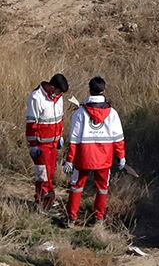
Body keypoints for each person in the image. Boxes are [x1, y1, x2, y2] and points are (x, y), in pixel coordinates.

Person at [64, 77, 124, 226]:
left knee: (76, 186)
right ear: (103, 91)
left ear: (89, 89)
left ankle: (71, 219)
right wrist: (121, 156)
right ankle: (98, 219)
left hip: (83, 157)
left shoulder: (80, 113)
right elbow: (118, 139)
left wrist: (70, 160)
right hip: (104, 158)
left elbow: (74, 140)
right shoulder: (112, 113)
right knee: (102, 189)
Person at [26, 72, 68, 211]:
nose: (59, 94)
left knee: (49, 174)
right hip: (41, 145)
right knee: (42, 176)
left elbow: (60, 119)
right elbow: (32, 124)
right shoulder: (36, 98)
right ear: (51, 87)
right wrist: (33, 145)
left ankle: (45, 202)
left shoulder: (58, 98)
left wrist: (60, 136)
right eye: (58, 91)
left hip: (53, 144)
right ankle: (43, 204)